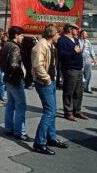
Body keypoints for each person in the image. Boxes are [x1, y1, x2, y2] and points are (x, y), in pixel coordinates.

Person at [32, 24, 68, 155]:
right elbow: (37, 66)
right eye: (58, 34)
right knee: (49, 112)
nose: (59, 36)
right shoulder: (40, 46)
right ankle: (39, 143)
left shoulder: (50, 45)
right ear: (52, 34)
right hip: (44, 82)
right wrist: (47, 79)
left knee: (52, 112)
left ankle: (51, 137)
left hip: (50, 81)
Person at [1, 26, 32, 142]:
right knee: (21, 105)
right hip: (14, 80)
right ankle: (20, 132)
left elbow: (3, 62)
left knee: (10, 104)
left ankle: (8, 128)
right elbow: (14, 65)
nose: (23, 37)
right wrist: (21, 75)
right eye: (21, 35)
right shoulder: (15, 47)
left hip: (8, 78)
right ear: (16, 35)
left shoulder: (6, 45)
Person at [57, 23, 88, 121]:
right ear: (70, 29)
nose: (78, 30)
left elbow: (78, 52)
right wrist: (73, 52)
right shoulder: (62, 40)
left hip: (78, 68)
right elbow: (61, 54)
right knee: (68, 91)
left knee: (79, 91)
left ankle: (77, 110)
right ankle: (68, 112)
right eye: (76, 28)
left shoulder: (75, 39)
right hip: (70, 69)